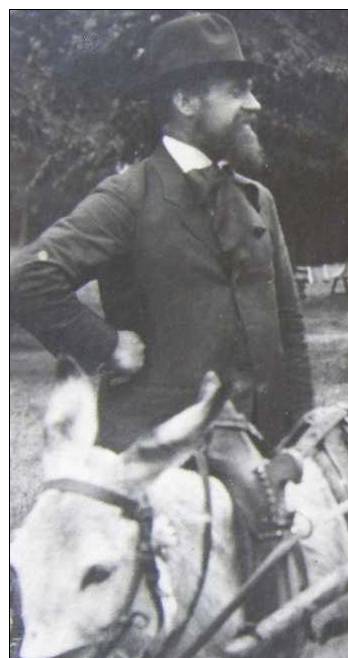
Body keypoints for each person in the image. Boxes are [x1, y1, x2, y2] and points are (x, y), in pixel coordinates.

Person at [11, 12, 313, 452]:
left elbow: (289, 327)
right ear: (187, 100)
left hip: (258, 453)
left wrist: (301, 433)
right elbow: (27, 280)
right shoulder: (127, 196)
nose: (254, 105)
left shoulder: (257, 200)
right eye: (237, 91)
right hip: (159, 460)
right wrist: (105, 345)